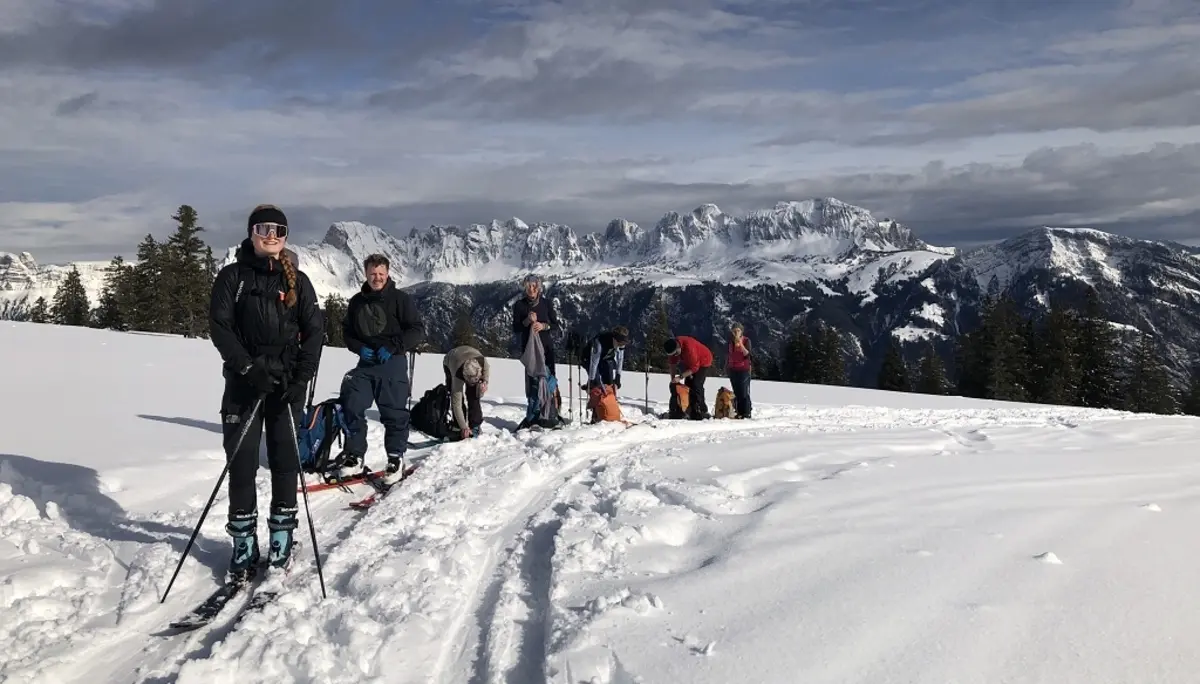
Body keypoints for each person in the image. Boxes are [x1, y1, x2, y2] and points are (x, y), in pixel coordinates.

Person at [209, 204, 324, 579]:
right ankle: (243, 547)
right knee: (241, 465)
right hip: (243, 384)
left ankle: (281, 542)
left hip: (286, 385)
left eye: (279, 230)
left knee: (285, 462)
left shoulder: (298, 281)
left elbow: (315, 333)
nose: (271, 235)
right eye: (263, 228)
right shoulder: (232, 277)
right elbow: (220, 328)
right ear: (251, 233)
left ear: (286, 237)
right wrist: (248, 368)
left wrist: (301, 378)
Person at [339, 253, 425, 482]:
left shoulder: (400, 300)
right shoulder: (356, 302)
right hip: (366, 363)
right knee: (352, 403)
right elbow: (347, 332)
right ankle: (355, 455)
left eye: (380, 274)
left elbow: (416, 330)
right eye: (372, 274)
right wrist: (358, 347)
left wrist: (394, 346)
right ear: (365, 274)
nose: (376, 278)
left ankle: (395, 458)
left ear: (387, 274)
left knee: (393, 412)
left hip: (392, 362)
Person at [511, 273, 560, 417]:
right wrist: (527, 321)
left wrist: (543, 326)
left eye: (534, 286)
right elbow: (516, 328)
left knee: (550, 379)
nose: (531, 289)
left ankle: (550, 411)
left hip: (546, 349)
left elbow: (555, 325)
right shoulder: (520, 305)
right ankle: (534, 413)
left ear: (539, 288)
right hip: (530, 350)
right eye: (529, 286)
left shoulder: (546, 304)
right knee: (533, 382)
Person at [443, 345, 489, 440]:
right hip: (450, 360)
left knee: (474, 395)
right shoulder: (457, 375)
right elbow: (456, 404)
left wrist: (484, 382)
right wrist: (463, 427)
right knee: (456, 395)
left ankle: (475, 425)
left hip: (469, 355)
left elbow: (486, 372)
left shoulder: (482, 362)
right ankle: (458, 425)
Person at [664, 335, 713, 420]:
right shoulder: (673, 349)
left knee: (696, 384)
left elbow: (695, 368)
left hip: (704, 361)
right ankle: (689, 409)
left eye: (675, 354)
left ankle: (702, 410)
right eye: (672, 355)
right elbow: (672, 365)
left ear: (678, 347)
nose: (674, 356)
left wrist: (680, 377)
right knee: (687, 385)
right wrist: (673, 379)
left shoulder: (689, 348)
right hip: (689, 362)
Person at [586, 325, 628, 391]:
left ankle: (608, 397)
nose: (620, 346)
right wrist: (591, 379)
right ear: (614, 339)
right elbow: (594, 362)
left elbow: (620, 359)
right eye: (619, 343)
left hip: (606, 358)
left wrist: (618, 376)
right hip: (589, 358)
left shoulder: (621, 343)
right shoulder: (600, 341)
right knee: (596, 385)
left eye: (623, 344)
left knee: (609, 384)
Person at [726, 322, 753, 419]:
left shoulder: (746, 340)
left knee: (743, 392)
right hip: (733, 369)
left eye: (738, 330)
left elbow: (747, 354)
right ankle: (739, 412)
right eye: (734, 331)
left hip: (744, 369)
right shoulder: (730, 342)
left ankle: (746, 412)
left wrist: (740, 343)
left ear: (741, 331)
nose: (736, 332)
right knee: (737, 392)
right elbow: (729, 355)